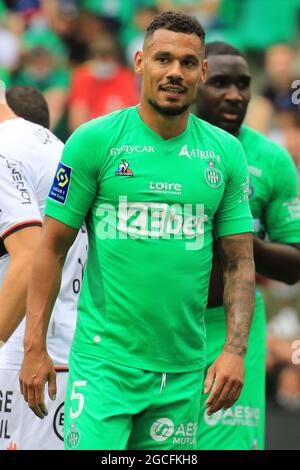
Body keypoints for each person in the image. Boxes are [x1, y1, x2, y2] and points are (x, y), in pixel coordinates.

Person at [19, 12, 255, 451]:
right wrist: (35, 347)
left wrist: (235, 351)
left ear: (202, 71)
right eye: (162, 59)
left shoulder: (226, 153)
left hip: (183, 371)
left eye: (187, 63)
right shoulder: (94, 141)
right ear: (139, 61)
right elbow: (50, 248)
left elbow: (240, 262)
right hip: (104, 365)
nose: (174, 72)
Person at [195, 41, 300, 450]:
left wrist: (238, 238)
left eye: (243, 84)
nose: (234, 95)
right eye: (220, 83)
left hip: (234, 327)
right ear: (196, 82)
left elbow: (294, 263)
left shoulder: (271, 160)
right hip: (162, 325)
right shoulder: (162, 149)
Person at [0, 83, 87, 450]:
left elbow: (29, 256)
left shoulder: (3, 148)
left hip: (26, 357)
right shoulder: (46, 141)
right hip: (63, 348)